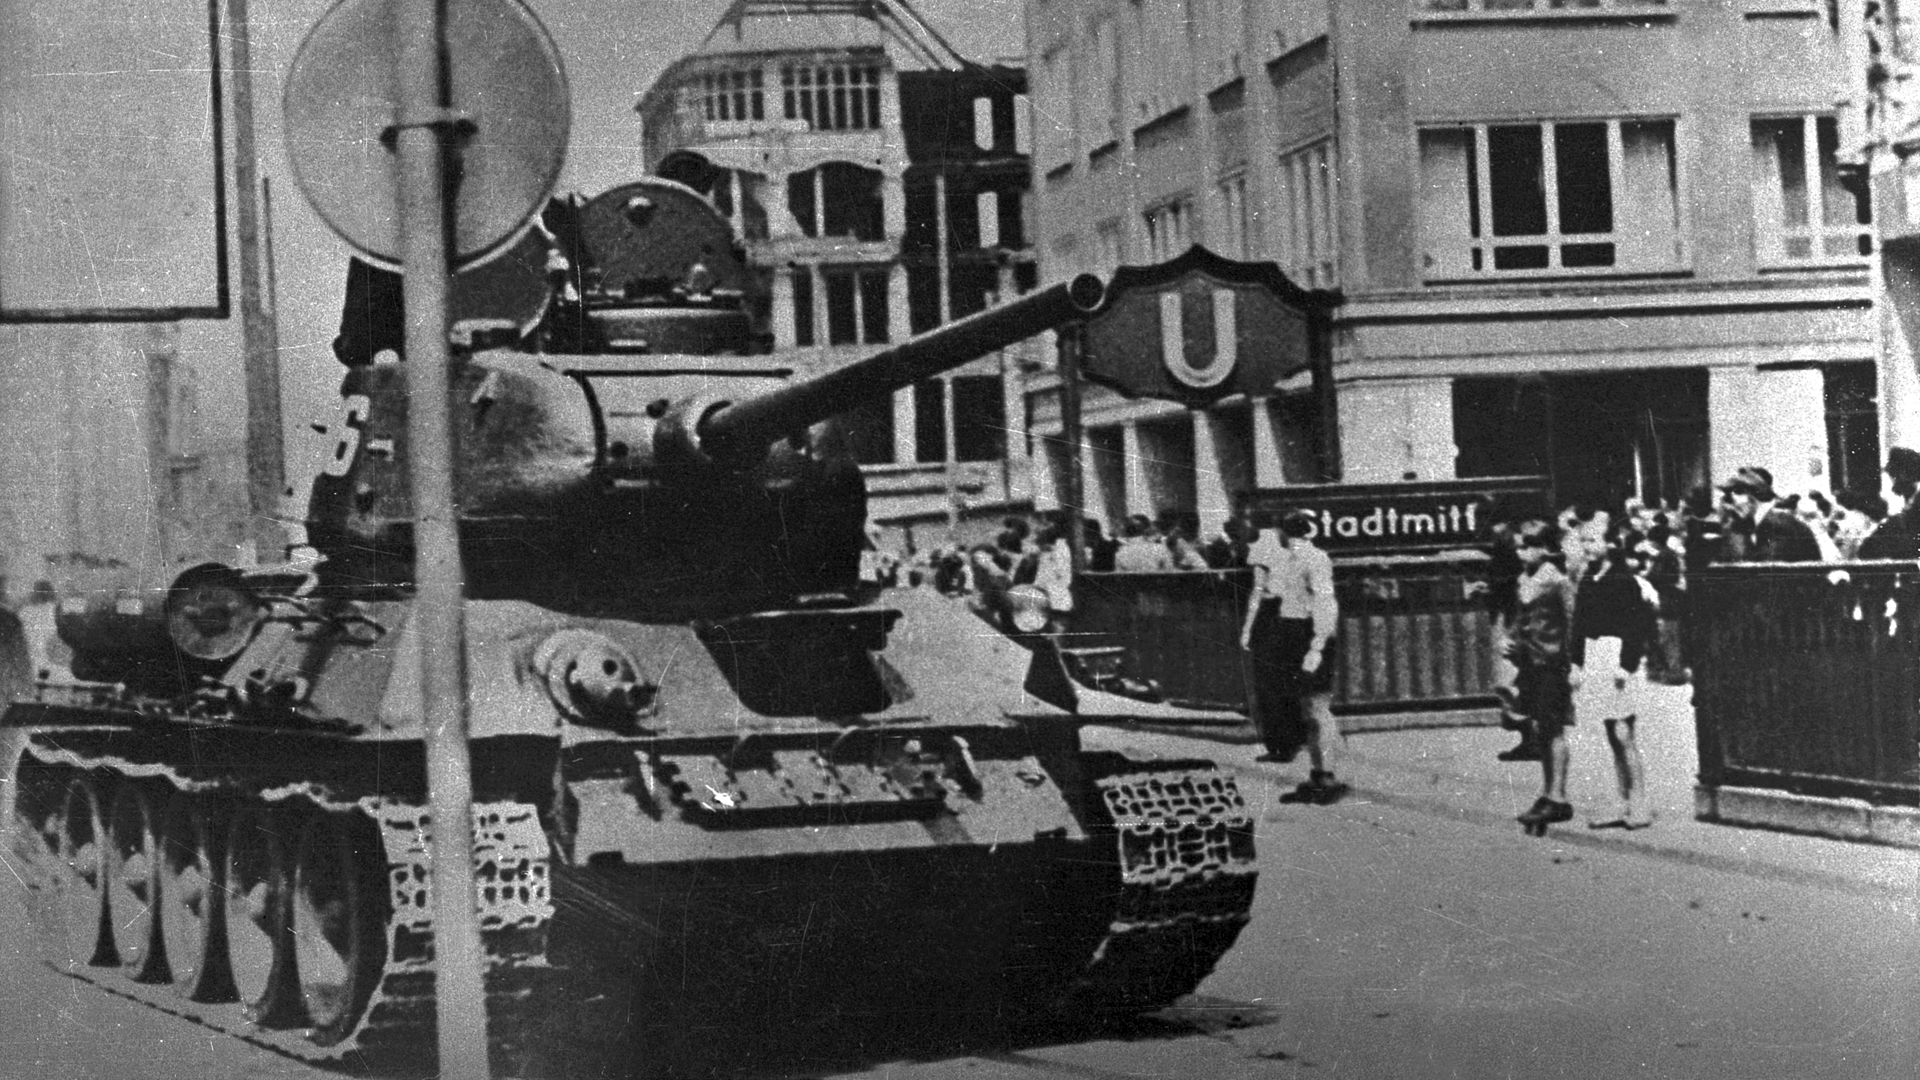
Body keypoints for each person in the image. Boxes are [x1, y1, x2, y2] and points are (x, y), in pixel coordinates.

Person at [1239, 509, 1346, 802]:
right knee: (1307, 707)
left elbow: (1326, 604)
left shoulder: (1316, 559)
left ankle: (1327, 775)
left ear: (1285, 534)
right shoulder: (1287, 561)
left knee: (1316, 706)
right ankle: (1319, 772)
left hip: (1311, 633)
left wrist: (1317, 646)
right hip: (1294, 632)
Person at [1572, 530, 1660, 829]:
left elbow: (1637, 624)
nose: (1586, 547)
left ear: (1609, 544)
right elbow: (1579, 624)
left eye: (1591, 541)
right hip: (1595, 653)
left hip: (1617, 654)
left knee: (1624, 732)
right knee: (1609, 731)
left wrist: (1626, 665)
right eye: (1582, 542)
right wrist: (1576, 663)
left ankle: (1639, 802)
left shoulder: (1624, 580)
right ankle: (1618, 801)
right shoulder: (1588, 578)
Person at [1508, 520, 1577, 835]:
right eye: (1520, 547)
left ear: (1544, 548)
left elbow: (1572, 619)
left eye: (1528, 546)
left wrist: (1575, 662)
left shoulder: (1555, 578)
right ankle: (1548, 792)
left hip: (1551, 662)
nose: (1522, 553)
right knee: (1541, 729)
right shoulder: (1526, 577)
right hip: (1530, 662)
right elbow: (1521, 618)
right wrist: (1511, 639)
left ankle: (1558, 795)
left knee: (1553, 726)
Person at [1715, 466, 1822, 562]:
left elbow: (1760, 575)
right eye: (1727, 498)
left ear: (1755, 496)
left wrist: (1737, 533)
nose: (1729, 505)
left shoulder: (1778, 527)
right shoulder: (1767, 524)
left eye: (1738, 492)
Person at [1857, 447, 1920, 560]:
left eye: (1892, 475)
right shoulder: (1907, 503)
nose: (1892, 483)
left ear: (1903, 475)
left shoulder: (1914, 506)